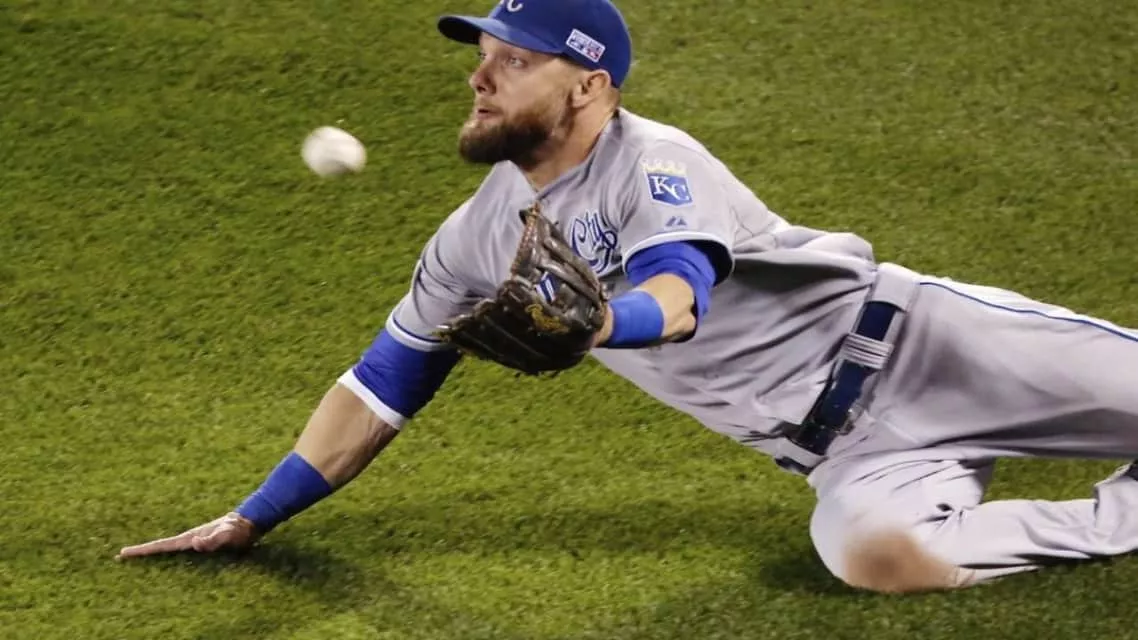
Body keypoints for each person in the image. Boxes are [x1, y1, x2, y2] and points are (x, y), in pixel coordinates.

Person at [116, 0, 1138, 594]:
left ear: (589, 86)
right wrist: (252, 517)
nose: (480, 79)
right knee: (874, 558)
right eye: (482, 59)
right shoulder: (473, 238)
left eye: (514, 61)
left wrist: (606, 320)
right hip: (855, 458)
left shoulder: (655, 160)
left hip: (927, 347)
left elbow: (679, 292)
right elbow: (385, 381)